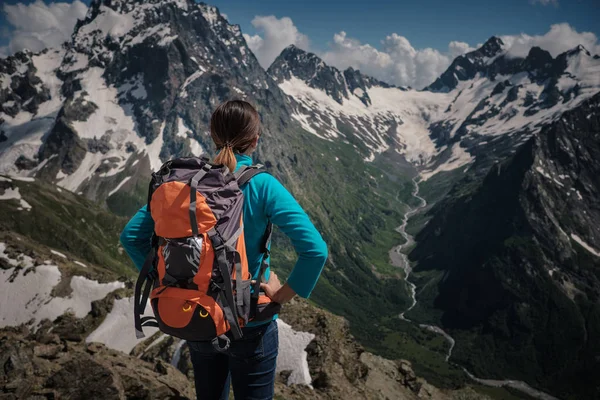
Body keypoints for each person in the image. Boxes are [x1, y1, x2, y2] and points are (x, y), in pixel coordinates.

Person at [120, 100, 328, 400]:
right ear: (255, 139)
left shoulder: (186, 182)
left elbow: (131, 237)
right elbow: (315, 250)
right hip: (250, 319)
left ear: (211, 134)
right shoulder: (262, 185)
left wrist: (168, 281)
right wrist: (279, 295)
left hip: (198, 310)